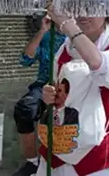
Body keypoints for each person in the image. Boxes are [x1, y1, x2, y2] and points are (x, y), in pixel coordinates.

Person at [38, 2, 109, 176]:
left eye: (92, 8)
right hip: (60, 144)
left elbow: (99, 65)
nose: (83, 14)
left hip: (99, 153)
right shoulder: (65, 48)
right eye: (79, 7)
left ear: (107, 12)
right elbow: (58, 87)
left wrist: (67, 25)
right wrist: (50, 94)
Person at [13, 13, 66, 176]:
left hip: (71, 85)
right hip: (44, 84)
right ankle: (31, 162)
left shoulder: (77, 36)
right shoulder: (47, 36)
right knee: (24, 109)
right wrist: (42, 31)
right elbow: (25, 59)